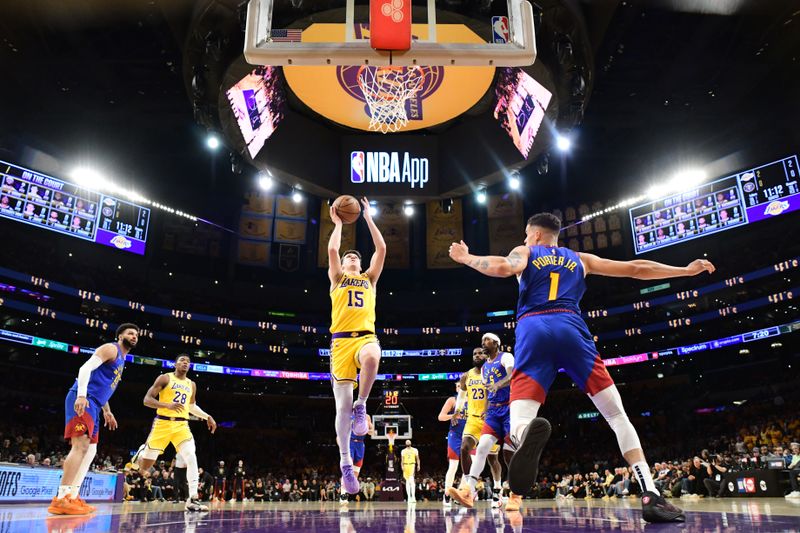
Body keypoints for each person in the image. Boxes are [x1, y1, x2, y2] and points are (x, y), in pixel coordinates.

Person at [449, 212, 715, 523]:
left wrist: (467, 258)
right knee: (616, 415)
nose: (524, 239)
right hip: (571, 326)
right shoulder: (580, 259)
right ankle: (650, 492)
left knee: (521, 419)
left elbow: (503, 267)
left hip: (533, 329)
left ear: (535, 235)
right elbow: (635, 268)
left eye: (526, 235)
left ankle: (523, 435)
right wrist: (685, 270)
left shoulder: (526, 252)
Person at [327, 196, 386, 494]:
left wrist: (368, 218)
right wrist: (338, 223)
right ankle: (346, 464)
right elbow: (332, 249)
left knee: (374, 356)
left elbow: (382, 249)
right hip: (340, 343)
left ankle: (362, 404)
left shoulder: (369, 279)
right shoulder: (337, 278)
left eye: (355, 257)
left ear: (361, 264)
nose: (351, 258)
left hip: (364, 336)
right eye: (348, 257)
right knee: (341, 408)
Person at [49, 323, 139, 515]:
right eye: (130, 333)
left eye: (136, 335)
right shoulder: (111, 349)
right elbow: (85, 368)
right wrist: (81, 395)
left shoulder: (122, 360)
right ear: (120, 336)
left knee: (91, 450)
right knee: (80, 446)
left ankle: (73, 496)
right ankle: (61, 498)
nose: (134, 336)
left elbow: (102, 386)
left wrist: (107, 411)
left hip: (96, 404)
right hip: (85, 399)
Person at [131, 354, 217, 511]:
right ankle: (143, 451)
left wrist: (207, 416)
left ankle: (192, 499)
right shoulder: (165, 378)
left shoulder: (191, 384)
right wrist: (166, 405)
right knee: (144, 468)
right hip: (162, 424)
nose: (185, 363)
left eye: (188, 362)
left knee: (191, 456)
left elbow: (191, 407)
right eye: (182, 360)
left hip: (181, 426)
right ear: (175, 364)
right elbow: (147, 400)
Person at [448, 334, 520, 511]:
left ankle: (512, 493)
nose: (482, 346)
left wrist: (499, 384)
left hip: (508, 410)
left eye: (486, 342)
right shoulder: (478, 371)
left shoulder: (506, 357)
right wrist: (463, 410)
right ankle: (468, 491)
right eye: (479, 346)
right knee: (477, 449)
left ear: (496, 343)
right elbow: (484, 393)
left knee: (506, 455)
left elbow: (513, 374)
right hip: (486, 415)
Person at [437, 381, 466, 506]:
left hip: (469, 434)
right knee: (453, 466)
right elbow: (441, 417)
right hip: (455, 435)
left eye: (462, 386)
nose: (460, 388)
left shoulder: (473, 400)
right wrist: (452, 416)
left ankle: (460, 493)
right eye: (458, 386)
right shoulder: (452, 400)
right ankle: (447, 494)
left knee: (469, 467)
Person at [339, 414, 373, 508]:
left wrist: (367, 430)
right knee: (347, 470)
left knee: (355, 475)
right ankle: (343, 496)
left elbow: (372, 431)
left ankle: (347, 494)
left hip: (360, 445)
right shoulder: (349, 415)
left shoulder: (367, 417)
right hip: (350, 442)